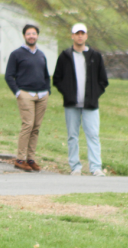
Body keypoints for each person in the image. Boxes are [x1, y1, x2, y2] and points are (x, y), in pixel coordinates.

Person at [53, 23, 109, 176]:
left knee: (93, 135)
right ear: (72, 36)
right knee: (72, 136)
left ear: (86, 36)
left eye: (82, 33)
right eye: (77, 33)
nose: (79, 36)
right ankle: (75, 167)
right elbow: (57, 79)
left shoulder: (95, 56)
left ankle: (96, 167)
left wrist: (94, 94)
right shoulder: (65, 56)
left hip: (90, 104)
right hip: (71, 104)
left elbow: (103, 80)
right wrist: (67, 93)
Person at [5, 24, 51, 172]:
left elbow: (46, 75)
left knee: (36, 127)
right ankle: (20, 159)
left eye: (34, 33)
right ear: (24, 36)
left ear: (37, 36)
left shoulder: (41, 54)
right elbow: (8, 75)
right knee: (28, 125)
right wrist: (17, 92)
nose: (31, 36)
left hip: (42, 94)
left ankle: (30, 159)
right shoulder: (16, 54)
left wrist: (48, 90)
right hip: (25, 94)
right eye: (28, 34)